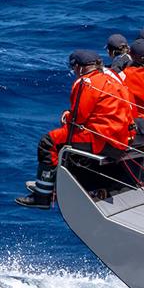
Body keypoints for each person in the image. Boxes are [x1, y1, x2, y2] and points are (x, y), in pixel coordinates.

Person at [15, 50, 136, 209]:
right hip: (120, 140)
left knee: (48, 141)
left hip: (100, 139)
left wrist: (66, 116)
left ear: (79, 67)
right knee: (64, 139)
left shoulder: (85, 82)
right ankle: (56, 182)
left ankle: (43, 195)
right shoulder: (112, 80)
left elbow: (78, 119)